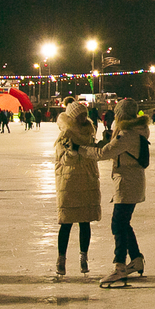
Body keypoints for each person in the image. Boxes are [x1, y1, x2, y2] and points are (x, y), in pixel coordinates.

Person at [85, 99, 149, 286]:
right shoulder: (135, 131)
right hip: (131, 181)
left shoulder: (128, 134)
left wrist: (80, 150)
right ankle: (136, 258)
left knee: (118, 224)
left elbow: (103, 153)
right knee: (123, 223)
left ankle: (119, 266)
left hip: (127, 182)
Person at [53, 99, 103, 276]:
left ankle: (84, 256)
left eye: (85, 115)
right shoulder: (65, 134)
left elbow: (93, 153)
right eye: (80, 115)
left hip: (88, 179)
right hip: (70, 181)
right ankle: (61, 259)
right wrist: (73, 152)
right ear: (73, 117)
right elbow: (62, 159)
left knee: (85, 221)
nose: (83, 118)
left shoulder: (89, 132)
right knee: (66, 222)